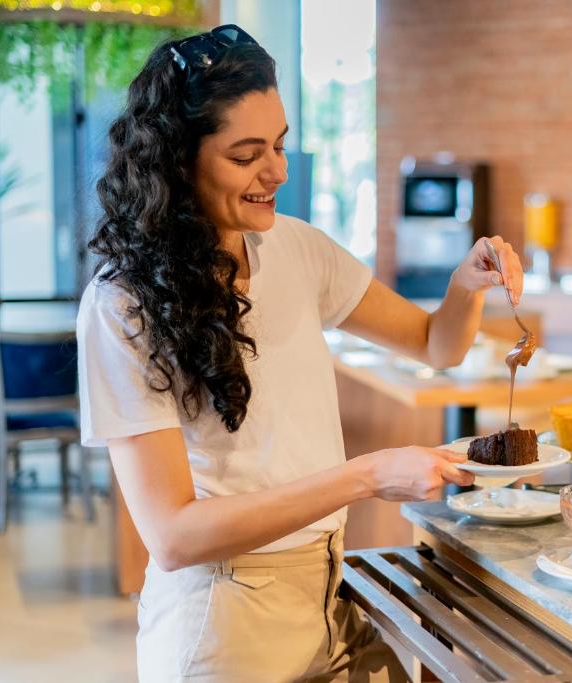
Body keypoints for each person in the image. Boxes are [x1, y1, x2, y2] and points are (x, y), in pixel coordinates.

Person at [78, 24, 523, 682]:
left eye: (281, 145)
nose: (277, 171)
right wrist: (367, 475)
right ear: (179, 160)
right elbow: (172, 536)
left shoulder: (297, 248)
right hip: (223, 623)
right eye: (246, 154)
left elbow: (437, 343)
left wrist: (466, 283)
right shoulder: (122, 308)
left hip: (328, 594)